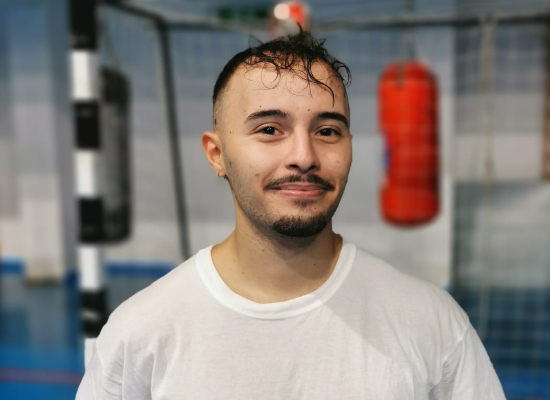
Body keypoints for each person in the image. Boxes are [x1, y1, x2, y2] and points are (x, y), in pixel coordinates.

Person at [76, 31, 505, 399]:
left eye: (327, 131)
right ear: (217, 154)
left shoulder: (431, 323)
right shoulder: (140, 333)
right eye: (269, 129)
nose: (304, 156)